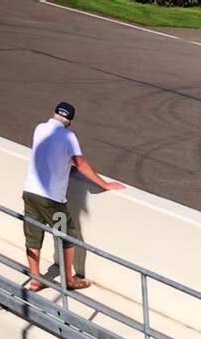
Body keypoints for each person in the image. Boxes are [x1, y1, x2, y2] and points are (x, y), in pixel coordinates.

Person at [21, 101, 124, 292]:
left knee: (33, 236)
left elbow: (49, 154)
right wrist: (105, 184)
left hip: (30, 194)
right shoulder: (69, 137)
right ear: (69, 121)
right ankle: (69, 279)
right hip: (51, 200)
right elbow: (81, 164)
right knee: (67, 235)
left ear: (54, 113)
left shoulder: (40, 128)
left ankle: (35, 279)